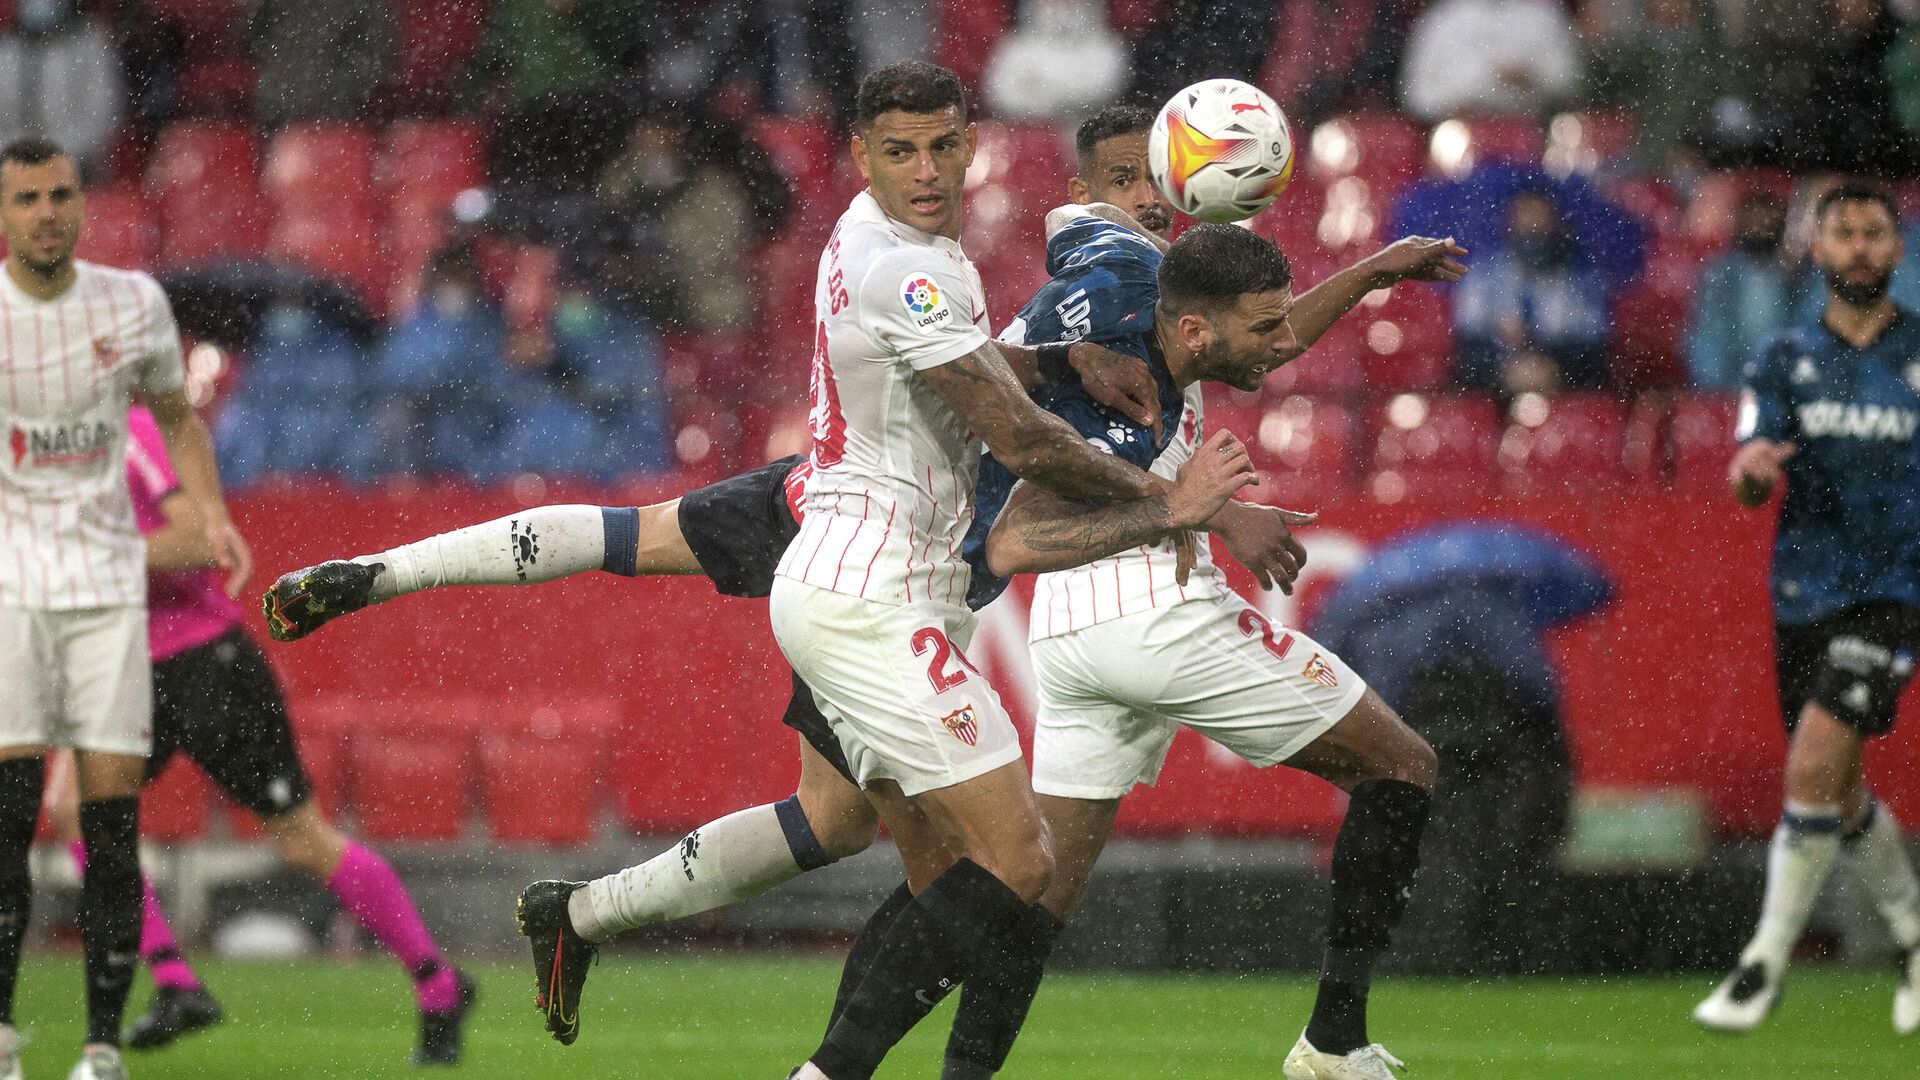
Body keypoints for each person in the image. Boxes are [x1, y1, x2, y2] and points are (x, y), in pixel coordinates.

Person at [980, 214, 1452, 1080]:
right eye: (1261, 323)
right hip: (1154, 615)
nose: (1279, 344)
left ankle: (911, 1066)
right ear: (1195, 325)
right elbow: (1010, 543)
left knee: (1034, 892)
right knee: (1402, 768)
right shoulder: (1131, 372)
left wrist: (1375, 269)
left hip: (1070, 630)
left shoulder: (1143, 321)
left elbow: (1262, 337)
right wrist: (1197, 510)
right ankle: (1334, 1044)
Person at [43, 407, 476, 1064]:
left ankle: (439, 983)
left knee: (302, 841)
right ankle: (175, 982)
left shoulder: (125, 428)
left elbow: (196, 544)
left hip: (203, 664)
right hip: (124, 667)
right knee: (74, 811)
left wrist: (80, 565)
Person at [0, 136, 251, 1080]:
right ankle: (5, 1040)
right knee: (9, 822)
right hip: (15, 592)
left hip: (109, 595)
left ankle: (103, 1049)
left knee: (110, 827)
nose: (47, 213)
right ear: (3, 214)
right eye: (26, 199)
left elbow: (176, 416)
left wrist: (214, 512)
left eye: (61, 194)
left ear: (82, 204)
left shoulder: (132, 303)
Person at [1695, 182, 1920, 1035]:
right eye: (1843, 234)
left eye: (1874, 233)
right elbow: (1749, 475)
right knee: (1841, 787)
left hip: (1896, 592)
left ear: (1896, 251)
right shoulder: (1782, 359)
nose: (1859, 247)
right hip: (1805, 594)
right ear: (1816, 252)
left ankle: (1762, 965)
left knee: (1813, 764)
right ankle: (1913, 938)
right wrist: (1752, 471)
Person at [1450, 188, 1610, 393]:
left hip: (1563, 387)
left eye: (1541, 226)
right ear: (1510, 225)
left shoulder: (1579, 281)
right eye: (1526, 225)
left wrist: (1549, 365)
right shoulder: (1484, 276)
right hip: (1495, 387)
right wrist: (1503, 368)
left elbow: (1593, 350)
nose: (1533, 231)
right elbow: (1467, 347)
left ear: (1557, 226)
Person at [1399, 0, 1582, 122]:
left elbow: (1572, 83)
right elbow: (1415, 94)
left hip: (1530, 134)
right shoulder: (1443, 20)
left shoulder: (1542, 17)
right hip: (1459, 137)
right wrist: (1456, 101)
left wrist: (1531, 78)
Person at [1687, 190, 1796, 390]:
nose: (1760, 228)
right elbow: (1707, 341)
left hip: (1783, 388)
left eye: (1767, 222)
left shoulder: (1799, 275)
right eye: (1753, 221)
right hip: (1727, 389)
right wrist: (1718, 392)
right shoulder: (1721, 273)